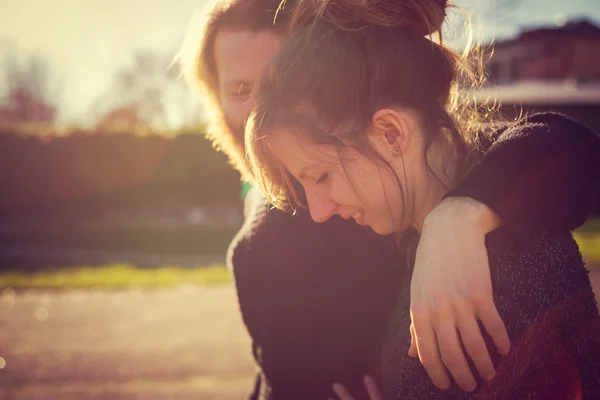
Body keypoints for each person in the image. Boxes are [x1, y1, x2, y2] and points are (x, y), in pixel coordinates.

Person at [178, 0, 600, 398]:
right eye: (239, 89)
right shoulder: (341, 202)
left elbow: (570, 147)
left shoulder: (405, 193)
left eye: (274, 78)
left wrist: (458, 216)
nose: (259, 108)